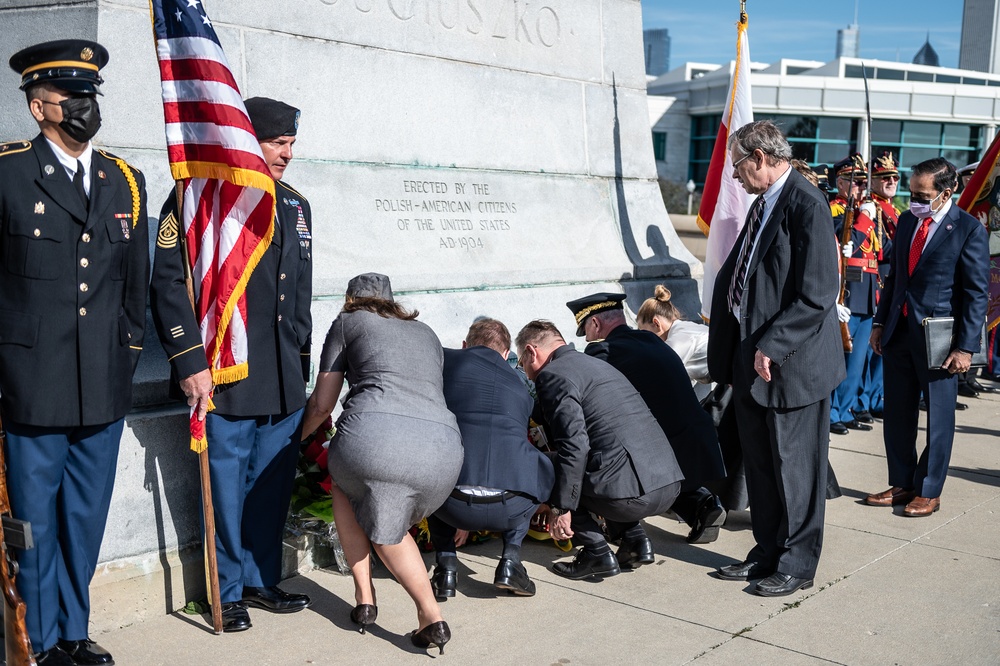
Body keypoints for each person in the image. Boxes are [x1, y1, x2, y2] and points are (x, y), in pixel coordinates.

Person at [1, 40, 149, 665]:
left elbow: (134, 287)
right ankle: (31, 639)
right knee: (31, 524)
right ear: (39, 108)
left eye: (92, 96)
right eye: (72, 98)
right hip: (30, 382)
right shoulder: (6, 173)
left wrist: (125, 355)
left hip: (101, 386)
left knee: (83, 520)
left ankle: (73, 631)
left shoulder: (125, 180)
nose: (87, 108)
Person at [150, 97, 313, 631]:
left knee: (269, 484)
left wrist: (304, 368)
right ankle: (226, 590)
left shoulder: (295, 204)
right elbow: (170, 285)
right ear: (247, 142)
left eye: (290, 143)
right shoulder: (202, 200)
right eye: (278, 143)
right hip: (227, 374)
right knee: (224, 490)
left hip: (284, 377)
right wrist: (188, 360)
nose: (288, 153)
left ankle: (261, 579)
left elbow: (300, 297)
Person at [707, 120, 844, 597]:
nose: (736, 177)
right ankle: (766, 552)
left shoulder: (806, 202)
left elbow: (819, 293)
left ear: (762, 158)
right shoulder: (762, 203)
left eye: (739, 165)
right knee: (762, 467)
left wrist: (773, 344)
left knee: (797, 470)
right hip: (751, 361)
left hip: (791, 364)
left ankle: (798, 564)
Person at [301, 273, 463, 654]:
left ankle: (430, 615)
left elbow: (323, 403)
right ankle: (364, 597)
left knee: (381, 524)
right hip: (445, 451)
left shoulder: (348, 322)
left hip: (376, 442)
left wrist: (298, 438)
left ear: (351, 299)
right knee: (350, 488)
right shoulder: (425, 331)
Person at [515, 320, 683, 581]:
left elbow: (574, 446)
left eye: (521, 363)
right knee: (604, 465)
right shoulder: (597, 364)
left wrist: (561, 509)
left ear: (531, 351)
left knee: (542, 464)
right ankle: (635, 541)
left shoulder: (553, 374)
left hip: (629, 495)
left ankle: (596, 552)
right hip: (668, 484)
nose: (525, 373)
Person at [866, 158, 989, 517]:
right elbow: (896, 280)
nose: (914, 201)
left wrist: (965, 347)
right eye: (911, 193)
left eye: (922, 195)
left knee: (938, 417)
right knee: (898, 414)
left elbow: (976, 293)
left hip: (940, 341)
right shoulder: (907, 222)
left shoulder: (967, 229)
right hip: (899, 333)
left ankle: (930, 490)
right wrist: (879, 323)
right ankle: (903, 482)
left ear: (946, 193)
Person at [566, 294, 727, 545]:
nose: (586, 338)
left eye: (585, 329)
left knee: (620, 466)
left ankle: (625, 531)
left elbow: (592, 404)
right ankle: (702, 505)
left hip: (669, 450)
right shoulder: (652, 339)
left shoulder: (604, 351)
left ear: (596, 324)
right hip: (700, 435)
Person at [427, 318, 554, 600]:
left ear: (464, 346)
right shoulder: (521, 385)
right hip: (509, 505)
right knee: (534, 468)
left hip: (451, 504)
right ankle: (510, 561)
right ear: (507, 354)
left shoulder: (445, 362)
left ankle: (446, 567)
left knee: (435, 473)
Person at [829, 154, 876, 436]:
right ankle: (832, 412)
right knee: (842, 358)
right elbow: (847, 243)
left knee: (857, 362)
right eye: (855, 181)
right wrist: (864, 219)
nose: (859, 187)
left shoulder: (866, 210)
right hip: (846, 293)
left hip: (866, 294)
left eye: (862, 182)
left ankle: (845, 410)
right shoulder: (835, 209)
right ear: (840, 182)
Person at [857, 152, 904, 420]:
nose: (891, 181)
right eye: (885, 177)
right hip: (877, 280)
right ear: (873, 180)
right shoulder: (869, 207)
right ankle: (860, 401)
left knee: (882, 348)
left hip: (892, 281)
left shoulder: (894, 209)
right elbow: (877, 248)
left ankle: (876, 398)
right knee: (867, 347)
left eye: (894, 177)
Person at [635, 285, 711, 387]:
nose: (645, 339)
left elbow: (659, 373)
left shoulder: (679, 339)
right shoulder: (685, 329)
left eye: (645, 332)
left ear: (656, 323)